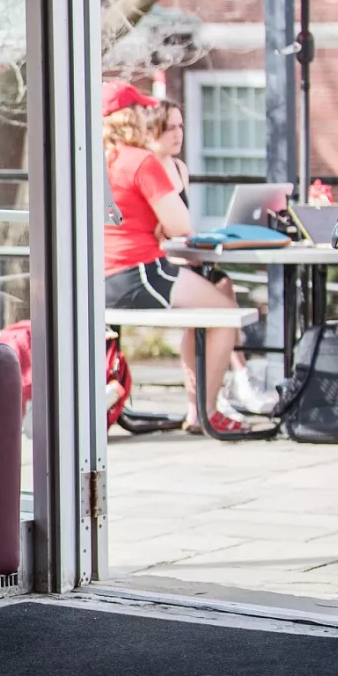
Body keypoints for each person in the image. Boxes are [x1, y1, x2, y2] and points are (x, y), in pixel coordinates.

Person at [101, 81, 253, 438]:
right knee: (226, 314)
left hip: (100, 278)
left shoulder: (94, 159)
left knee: (209, 302)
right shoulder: (140, 161)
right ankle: (206, 411)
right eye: (141, 110)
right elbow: (181, 226)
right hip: (140, 272)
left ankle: (199, 407)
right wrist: (159, 223)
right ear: (130, 116)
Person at [141, 98, 271, 415]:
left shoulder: (179, 168)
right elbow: (153, 231)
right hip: (159, 262)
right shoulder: (145, 168)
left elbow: (180, 226)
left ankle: (224, 387)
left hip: (183, 254)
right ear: (152, 129)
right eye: (169, 127)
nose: (178, 134)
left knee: (223, 285)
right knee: (217, 300)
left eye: (181, 126)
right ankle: (229, 385)